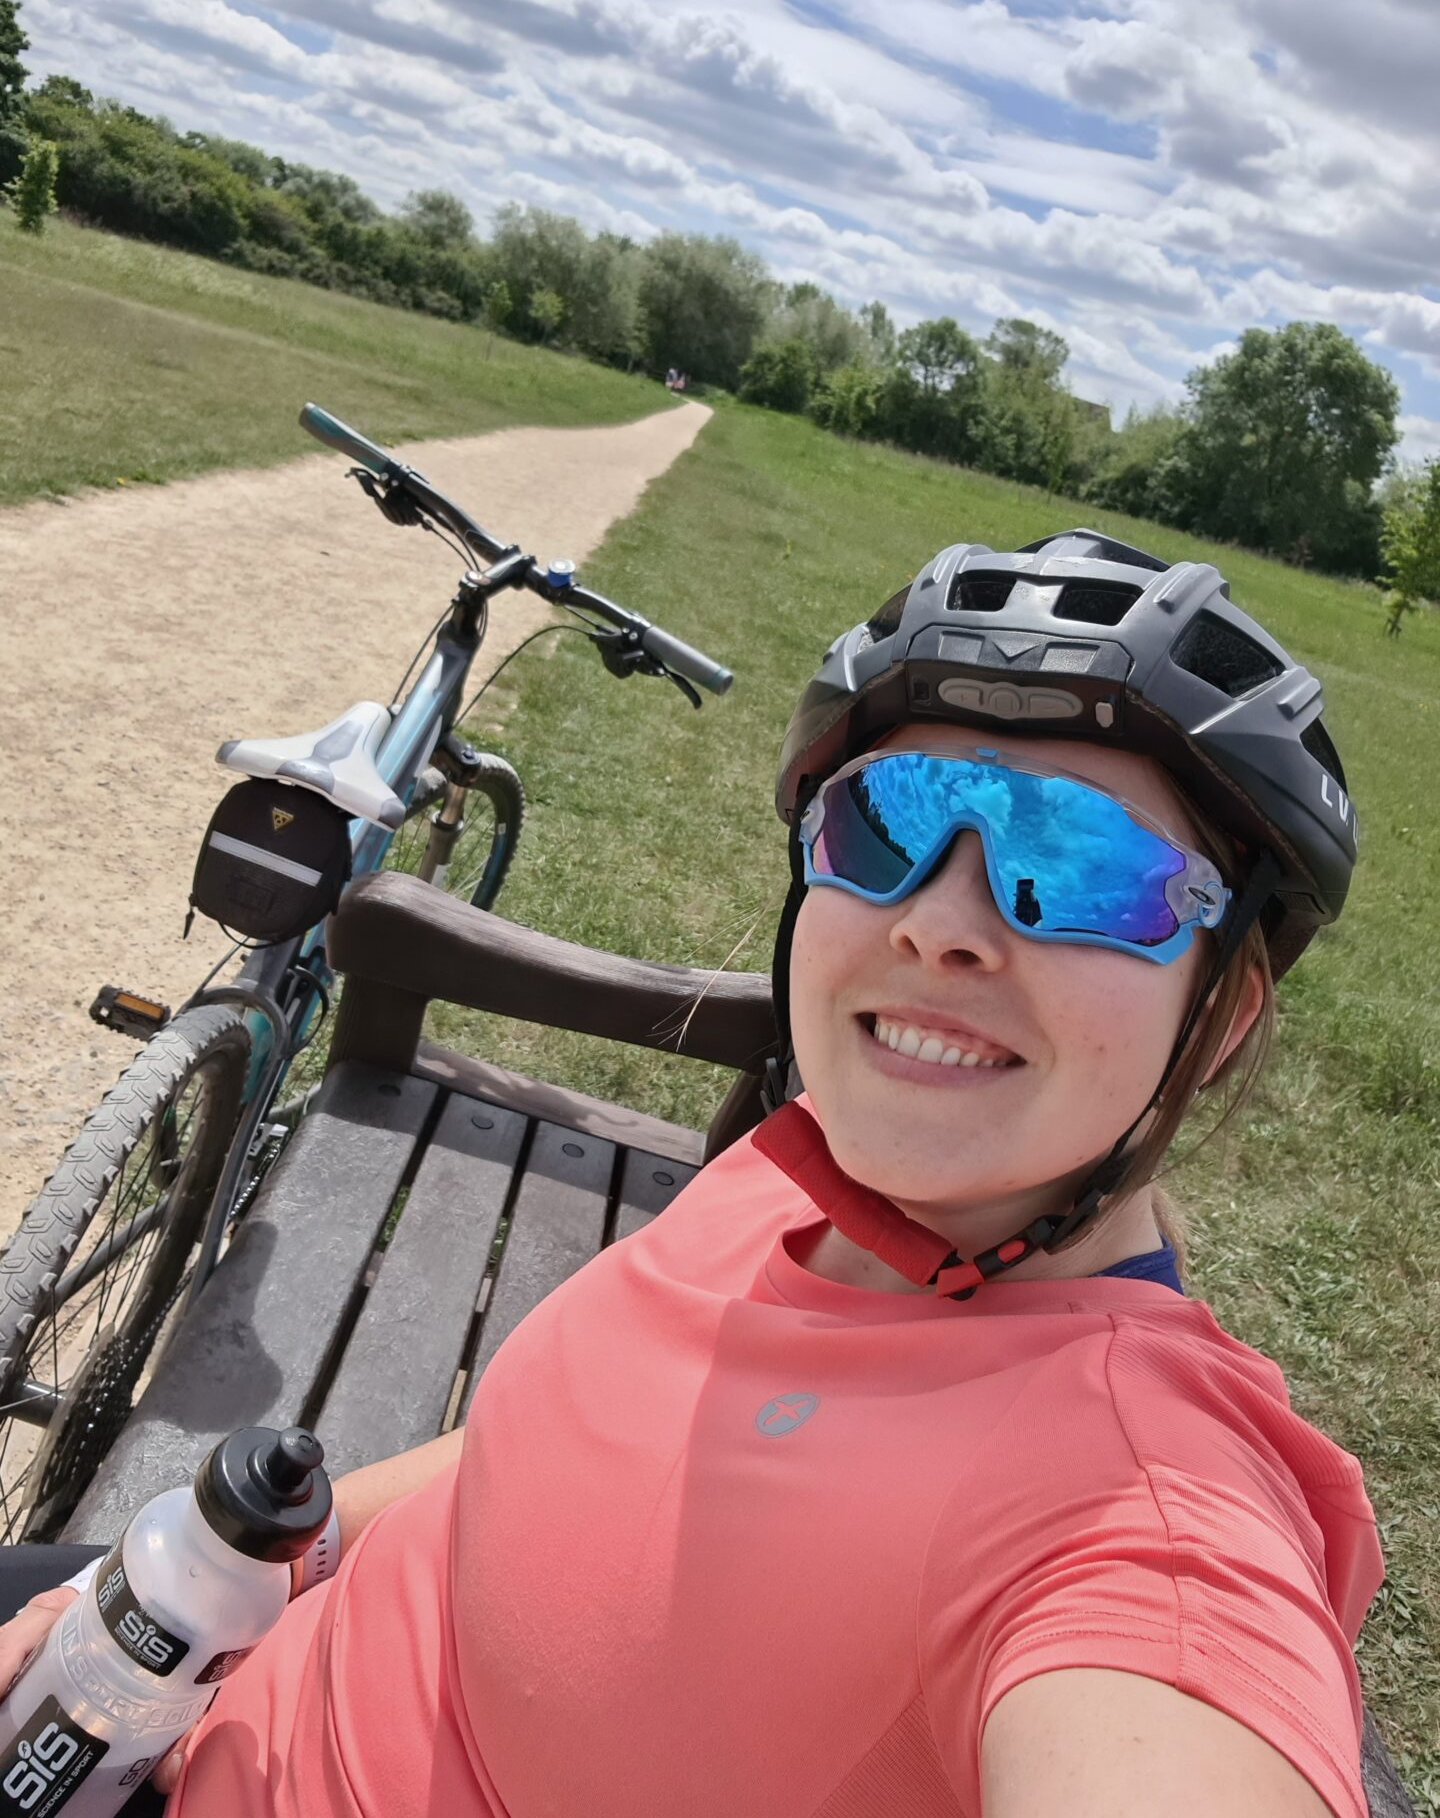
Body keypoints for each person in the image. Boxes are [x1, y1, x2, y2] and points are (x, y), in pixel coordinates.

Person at [0, 529, 1387, 1817]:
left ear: (1224, 1018)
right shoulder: (804, 1177)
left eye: (1081, 866)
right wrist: (232, 1563)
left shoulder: (1146, 1530)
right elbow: (538, 1459)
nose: (941, 925)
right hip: (171, 1669)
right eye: (889, 822)